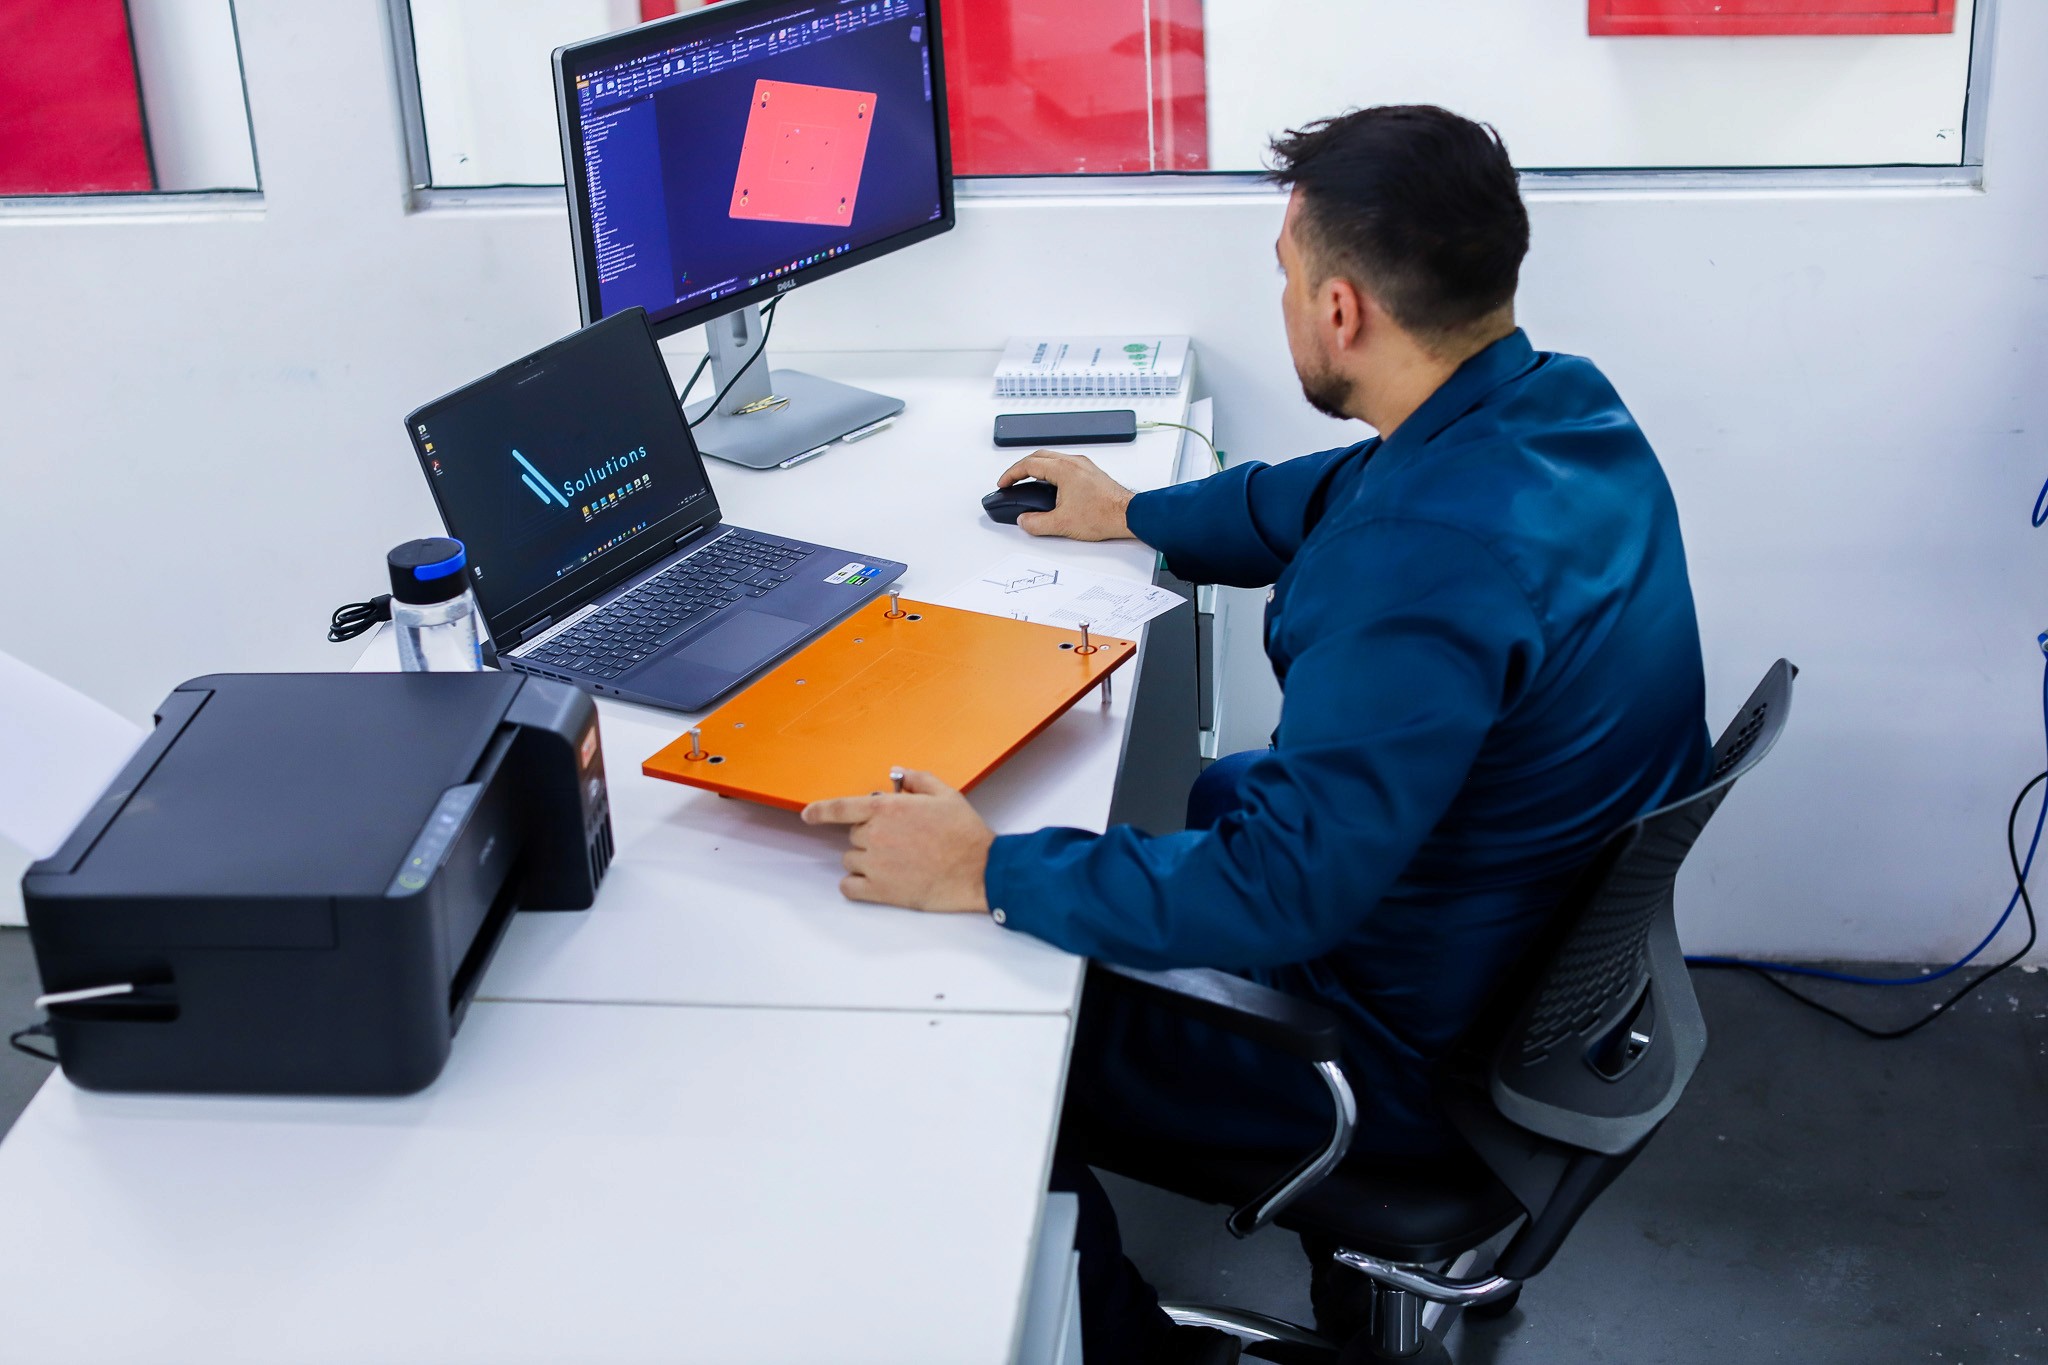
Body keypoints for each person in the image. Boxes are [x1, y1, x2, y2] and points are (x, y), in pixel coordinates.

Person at [802, 104, 1709, 1364]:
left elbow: (1276, 890)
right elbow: (1332, 494)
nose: (1281, 301)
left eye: (1283, 276)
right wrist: (1136, 511)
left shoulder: (1423, 569)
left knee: (987, 1026)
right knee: (1144, 839)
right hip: (1514, 980)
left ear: (1340, 310)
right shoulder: (1553, 412)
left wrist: (978, 868)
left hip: (1392, 1064)